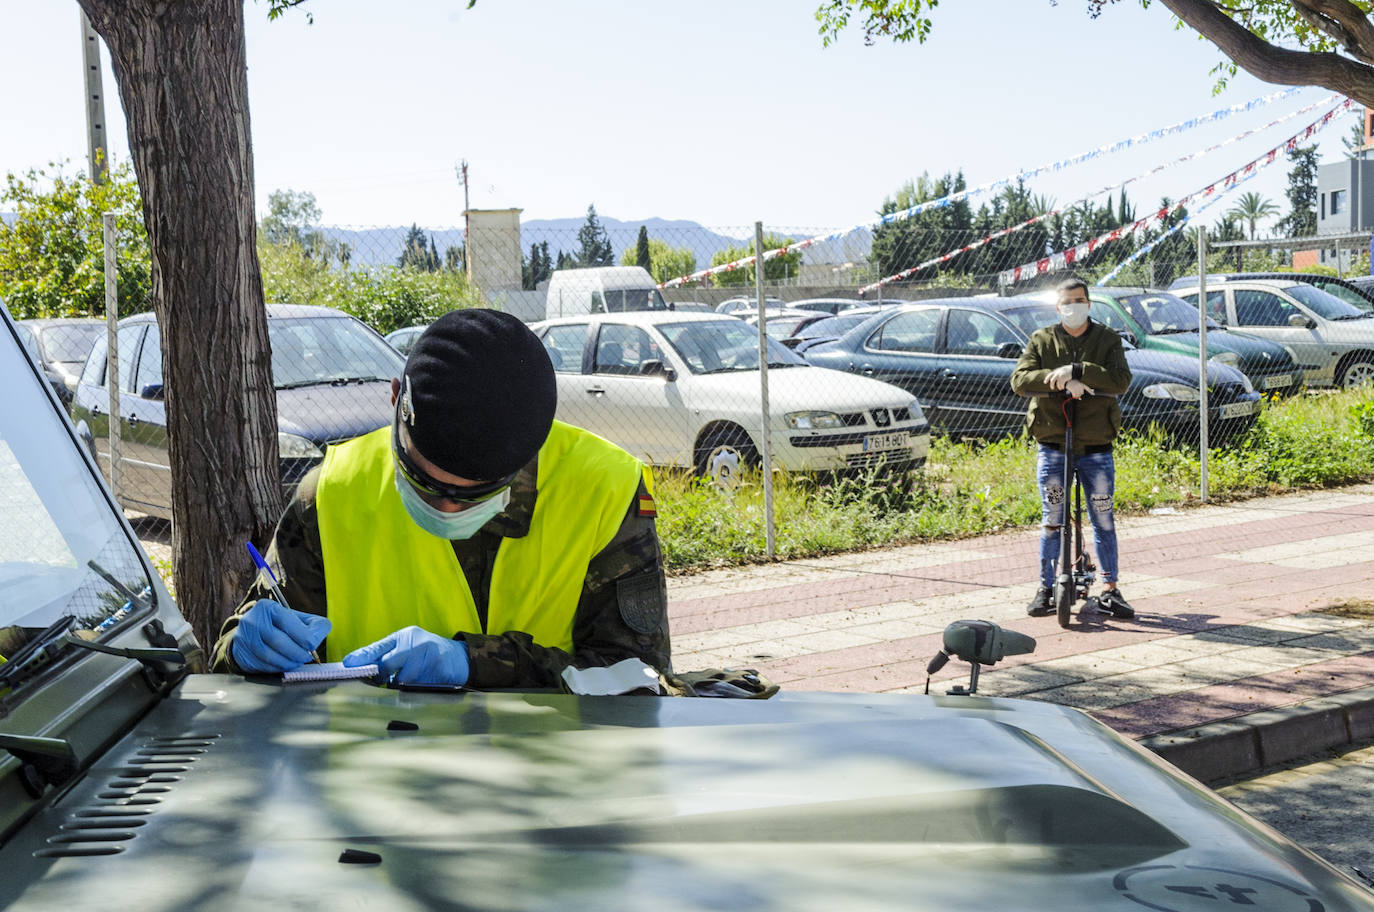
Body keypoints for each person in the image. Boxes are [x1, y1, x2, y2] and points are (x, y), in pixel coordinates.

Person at [210, 308, 671, 688]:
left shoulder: (605, 490)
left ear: (532, 450)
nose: (446, 508)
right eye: (422, 481)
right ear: (396, 400)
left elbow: (639, 677)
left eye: (476, 494)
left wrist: (477, 663)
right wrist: (243, 649)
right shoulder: (331, 493)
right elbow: (239, 660)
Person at [1010, 277, 1135, 620]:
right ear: (1057, 306)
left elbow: (1120, 380)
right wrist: (1061, 380)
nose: (1073, 307)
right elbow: (1020, 380)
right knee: (1052, 519)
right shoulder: (1042, 339)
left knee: (1103, 518)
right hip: (1053, 443)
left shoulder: (1107, 339)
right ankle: (1046, 587)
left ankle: (1110, 588)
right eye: (1067, 302)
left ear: (1089, 304)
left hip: (1096, 445)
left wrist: (1080, 370)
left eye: (1079, 301)